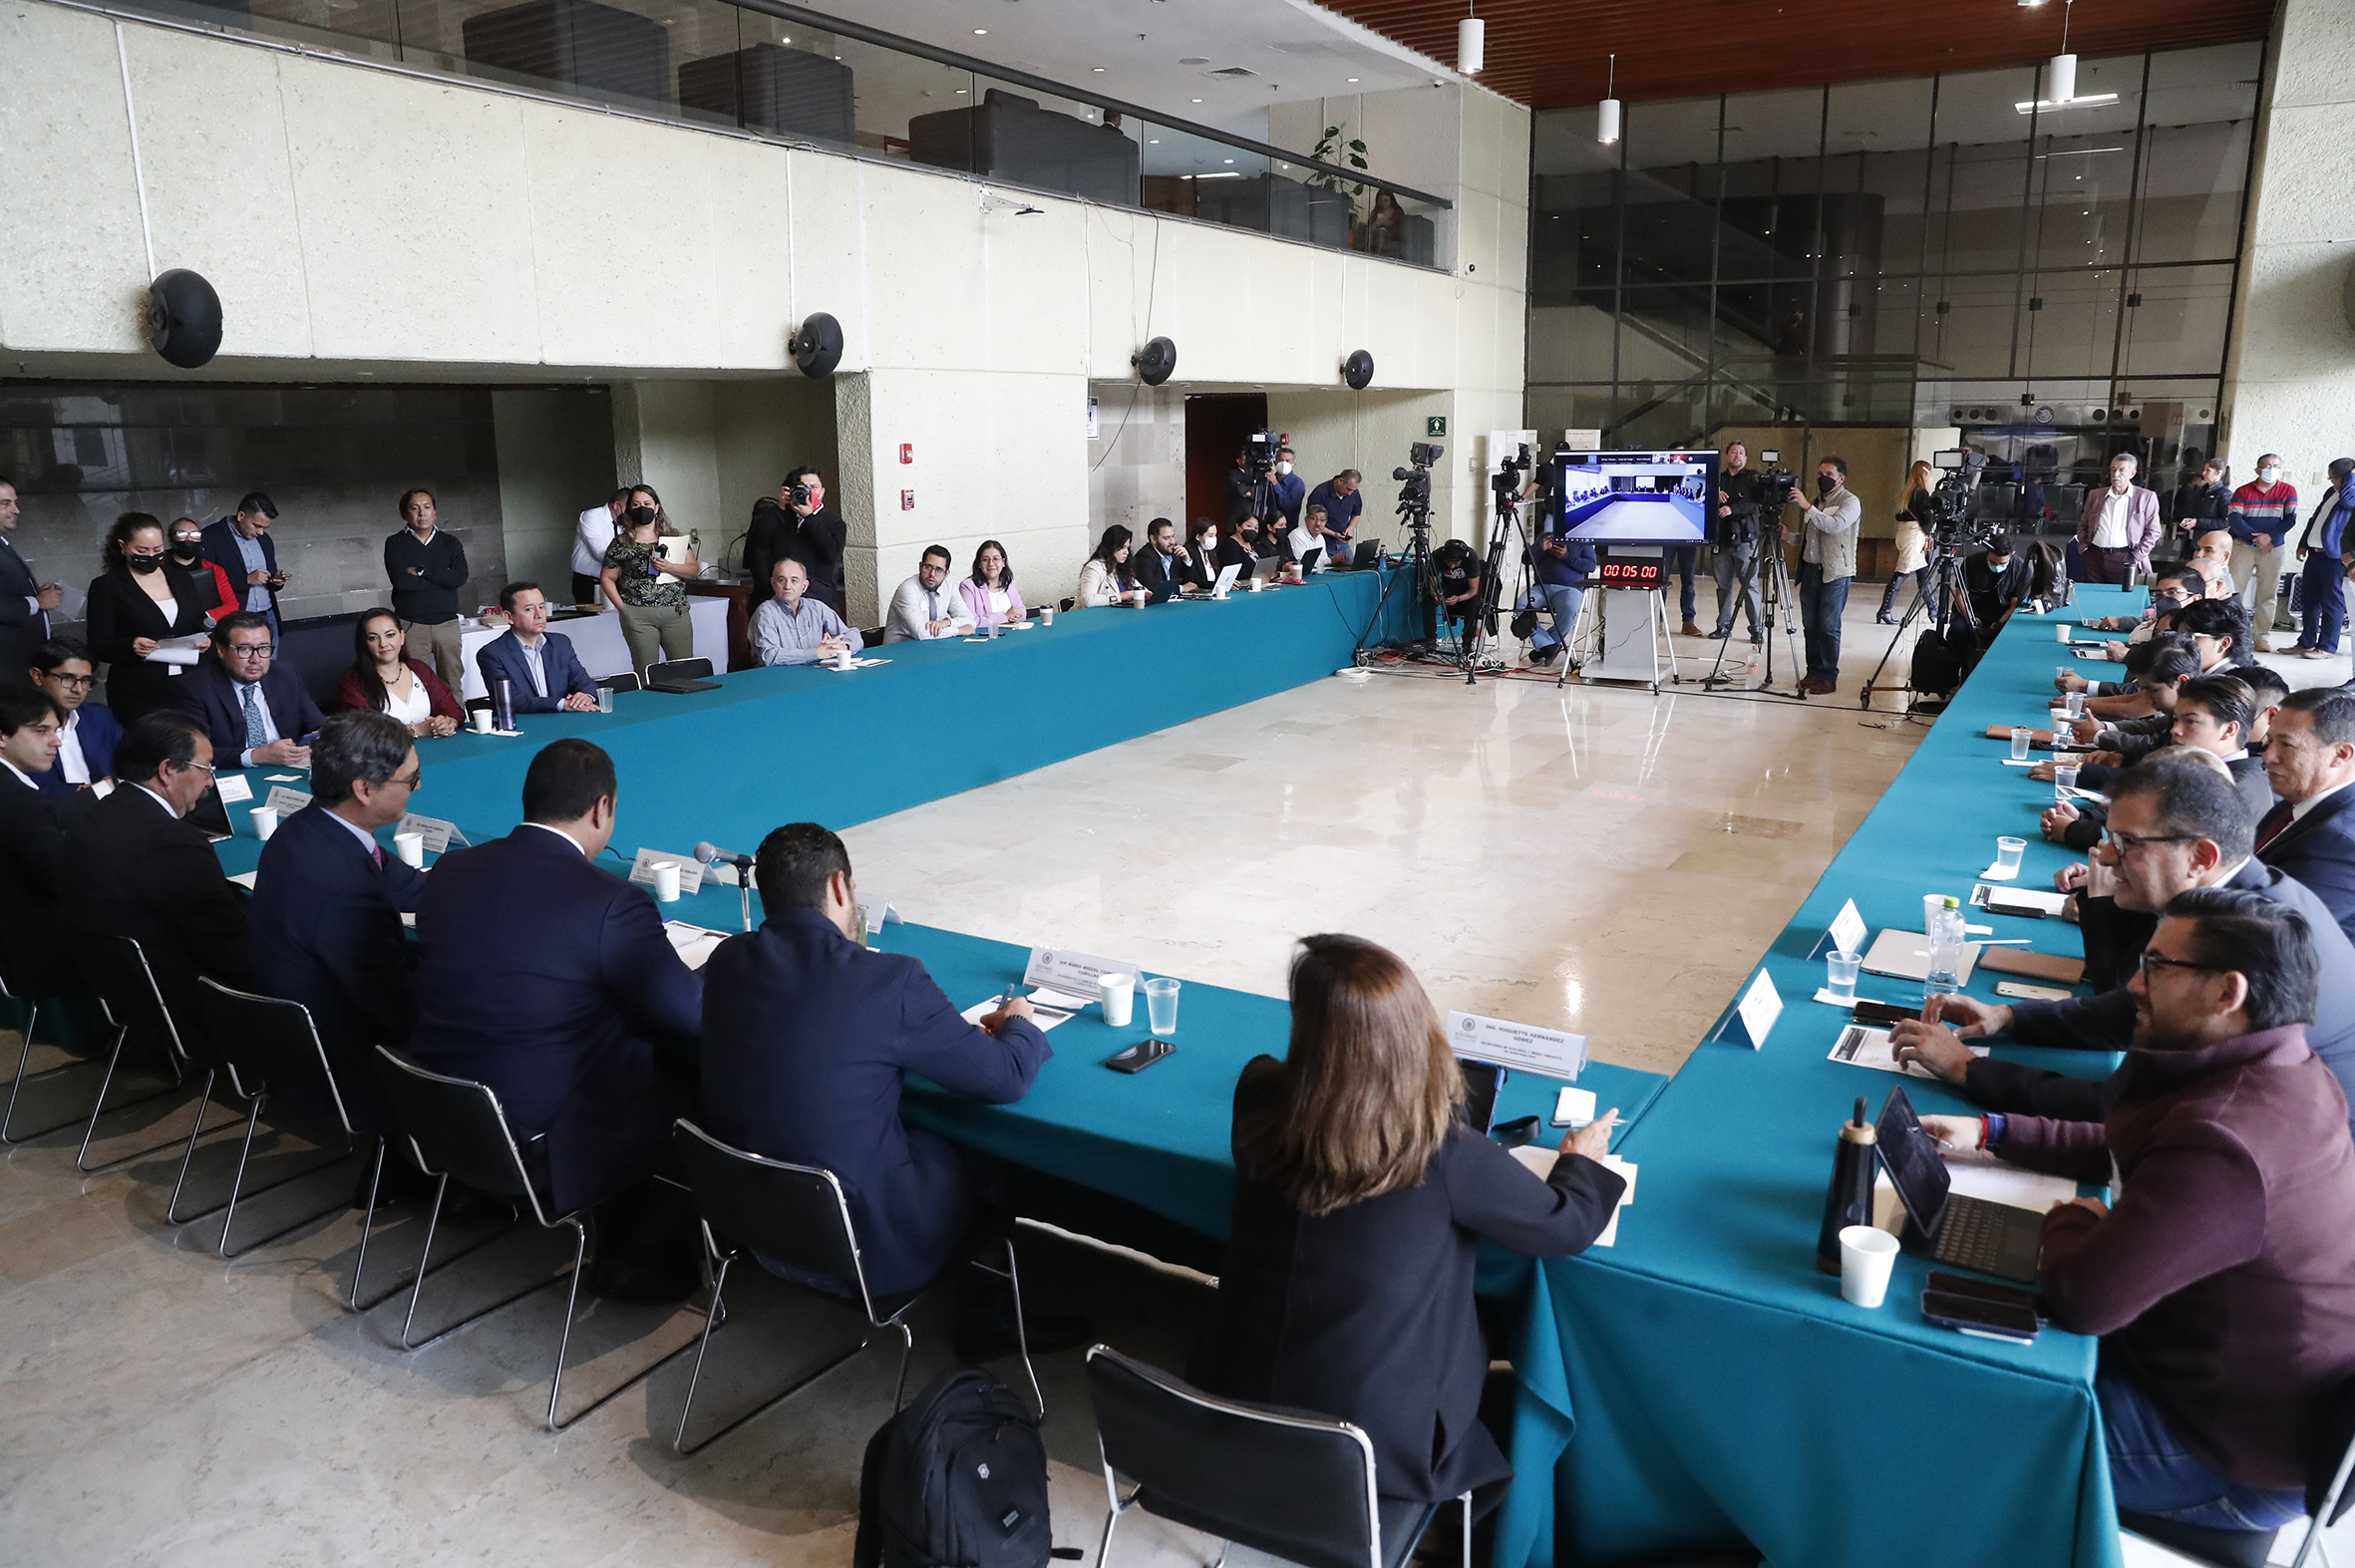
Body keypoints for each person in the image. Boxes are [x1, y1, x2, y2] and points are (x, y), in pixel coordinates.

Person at [1917, 889, 2355, 1541]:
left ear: (2227, 992)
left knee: (1941, 1416)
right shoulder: (2286, 1064)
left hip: (2216, 1450)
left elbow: (2083, 1298)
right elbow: (2148, 1152)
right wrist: (1995, 1131)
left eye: (2158, 967)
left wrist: (2072, 1218)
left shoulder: (2226, 1138)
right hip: (2232, 1394)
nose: (2134, 984)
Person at [1188, 935, 1625, 1525]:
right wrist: (1579, 1162)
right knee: (1487, 1318)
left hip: (1226, 1399)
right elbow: (1566, 1225)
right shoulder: (1441, 1150)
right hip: (1375, 1448)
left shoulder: (1258, 1093)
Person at [697, 822, 1071, 1355]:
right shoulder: (890, 981)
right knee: (977, 1145)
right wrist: (1020, 1023)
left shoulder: (728, 960)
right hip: (865, 1249)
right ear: (840, 886)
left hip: (752, 1227)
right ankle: (989, 1319)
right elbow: (1006, 1077)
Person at [1890, 753, 2355, 1138]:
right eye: (2111, 837)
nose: (2107, 856)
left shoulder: (2250, 945)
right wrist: (2007, 1017)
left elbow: (2119, 1109)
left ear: (2200, 857)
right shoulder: (2233, 898)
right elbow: (2135, 1005)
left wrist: (1966, 1069)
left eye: (2127, 842)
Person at [407, 739, 703, 1295]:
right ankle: (642, 1251)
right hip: (544, 1139)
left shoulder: (452, 869)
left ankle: (478, 1193)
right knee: (694, 1077)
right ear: (601, 808)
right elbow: (688, 1013)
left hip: (442, 1114)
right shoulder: (611, 902)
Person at [250, 711, 426, 1135]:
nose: (418, 788)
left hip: (289, 1039)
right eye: (411, 779)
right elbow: (395, 1006)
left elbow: (406, 883)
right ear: (364, 789)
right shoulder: (346, 888)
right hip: (344, 1064)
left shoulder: (307, 828)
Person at [59, 711, 253, 1032]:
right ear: (167, 771)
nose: (210, 781)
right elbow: (229, 947)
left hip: (121, 997)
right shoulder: (172, 842)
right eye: (206, 768)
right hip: (188, 1007)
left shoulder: (90, 820)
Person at [85, 512, 212, 725]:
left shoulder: (180, 578)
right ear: (123, 546)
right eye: (142, 551)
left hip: (190, 683)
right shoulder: (107, 586)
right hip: (140, 690)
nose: (151, 555)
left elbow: (199, 622)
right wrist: (131, 646)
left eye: (157, 549)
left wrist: (206, 640)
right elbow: (98, 645)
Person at [2257, 687, 2355, 938]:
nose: (2268, 756)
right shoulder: (2294, 802)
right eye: (2270, 741)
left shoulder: (2342, 842)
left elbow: (2275, 930)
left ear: (2340, 754)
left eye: (2286, 744)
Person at [173, 611, 326, 770]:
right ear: (222, 650)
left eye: (264, 648)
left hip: (291, 768)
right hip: (232, 773)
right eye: (245, 649)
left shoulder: (285, 674)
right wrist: (257, 755)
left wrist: (320, 735)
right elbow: (192, 752)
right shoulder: (195, 687)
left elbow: (317, 723)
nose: (256, 659)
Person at [0, 684, 77, 990]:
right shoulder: (16, 799)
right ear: (2, 736)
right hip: (33, 952)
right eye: (41, 731)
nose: (56, 741)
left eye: (55, 731)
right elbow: (63, 882)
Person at [599, 486, 698, 674]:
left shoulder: (673, 537)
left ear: (657, 507)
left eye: (647, 504)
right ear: (630, 508)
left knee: (684, 669)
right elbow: (607, 577)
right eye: (636, 504)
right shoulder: (621, 542)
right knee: (645, 670)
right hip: (638, 614)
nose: (642, 508)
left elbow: (693, 570)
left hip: (675, 612)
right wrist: (623, 608)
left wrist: (670, 567)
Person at [383, 488, 469, 697]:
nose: (422, 513)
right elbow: (401, 582)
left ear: (434, 512)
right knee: (414, 684)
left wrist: (423, 571)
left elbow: (459, 578)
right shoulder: (395, 543)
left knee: (452, 683)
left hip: (447, 625)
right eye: (415, 508)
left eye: (427, 507)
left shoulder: (450, 542)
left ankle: (454, 716)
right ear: (404, 513)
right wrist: (442, 578)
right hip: (412, 626)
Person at [1792, 455, 1860, 695]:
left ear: (1841, 478)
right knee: (1810, 625)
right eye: (1820, 474)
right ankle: (1813, 672)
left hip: (1835, 573)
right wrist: (1789, 537)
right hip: (1810, 570)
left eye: (1829, 475)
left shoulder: (1850, 501)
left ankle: (1829, 677)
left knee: (1828, 625)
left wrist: (1807, 508)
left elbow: (1834, 527)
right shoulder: (1815, 501)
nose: (1823, 478)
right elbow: (1811, 538)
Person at [477, 581, 599, 714]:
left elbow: (584, 681)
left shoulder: (560, 643)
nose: (539, 615)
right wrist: (561, 704)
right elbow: (508, 700)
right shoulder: (493, 654)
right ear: (509, 617)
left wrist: (585, 696)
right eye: (529, 609)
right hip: (524, 723)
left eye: (541, 607)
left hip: (563, 720)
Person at [337, 609, 461, 739]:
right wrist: (417, 730)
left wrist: (448, 722)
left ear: (402, 637)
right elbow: (361, 729)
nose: (383, 644)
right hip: (384, 751)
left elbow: (452, 708)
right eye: (373, 638)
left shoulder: (419, 669)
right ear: (364, 644)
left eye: (390, 635)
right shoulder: (353, 680)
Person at [747, 467, 846, 616]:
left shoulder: (834, 522)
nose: (808, 492)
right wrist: (779, 509)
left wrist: (809, 518)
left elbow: (832, 553)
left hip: (818, 602)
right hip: (776, 601)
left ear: (822, 492)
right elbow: (757, 545)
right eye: (803, 488)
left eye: (813, 487)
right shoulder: (779, 517)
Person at [28, 638, 119, 800]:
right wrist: (95, 790)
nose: (78, 689)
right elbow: (20, 790)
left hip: (107, 809)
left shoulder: (98, 717)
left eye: (85, 680)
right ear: (38, 676)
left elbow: (133, 763)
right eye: (68, 678)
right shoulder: (16, 723)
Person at [2227, 455, 2297, 651]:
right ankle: (2234, 634)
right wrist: (2255, 538)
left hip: (2273, 548)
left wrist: (2269, 537)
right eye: (2268, 466)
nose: (2272, 469)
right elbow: (2234, 518)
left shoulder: (2288, 490)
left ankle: (2261, 637)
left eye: (2276, 466)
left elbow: (2290, 519)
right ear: (2258, 470)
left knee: (2268, 593)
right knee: (2234, 591)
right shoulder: (2243, 491)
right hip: (2243, 546)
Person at [0, 475, 63, 685]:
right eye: (5, 503)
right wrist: (37, 602)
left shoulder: (3, 544)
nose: (16, 510)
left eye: (15, 503)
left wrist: (37, 595)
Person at [2291, 457, 2355, 661]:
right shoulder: (2331, 492)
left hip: (2334, 556)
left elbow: (2348, 502)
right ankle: (2306, 642)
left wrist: (2351, 478)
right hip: (2315, 553)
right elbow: (2315, 518)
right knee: (2309, 600)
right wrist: (2303, 543)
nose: (2332, 482)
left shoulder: (2350, 492)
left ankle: (2327, 646)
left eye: (2334, 478)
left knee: (2331, 602)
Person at [201, 492, 286, 636]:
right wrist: (245, 580)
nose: (261, 532)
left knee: (270, 652)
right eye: (257, 526)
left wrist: (276, 580)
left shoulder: (264, 539)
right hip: (235, 619)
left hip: (267, 615)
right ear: (241, 516)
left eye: (265, 528)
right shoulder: (210, 537)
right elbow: (205, 586)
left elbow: (270, 573)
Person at [751, 557, 863, 666]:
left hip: (814, 672)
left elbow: (854, 635)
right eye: (782, 580)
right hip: (779, 676)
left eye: (794, 580)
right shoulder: (765, 612)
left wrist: (844, 646)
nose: (787, 586)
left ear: (804, 586)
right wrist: (816, 653)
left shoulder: (817, 608)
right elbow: (768, 656)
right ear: (773, 583)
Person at [1707, 442, 1767, 641]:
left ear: (1746, 459)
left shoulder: (1753, 478)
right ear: (1726, 456)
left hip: (1744, 540)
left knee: (1749, 585)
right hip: (1721, 539)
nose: (1737, 455)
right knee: (1723, 586)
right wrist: (1714, 494)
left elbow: (1754, 501)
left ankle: (1756, 628)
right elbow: (1700, 496)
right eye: (1733, 452)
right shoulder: (1716, 479)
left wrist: (1732, 509)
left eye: (1741, 452)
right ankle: (1723, 626)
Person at [2076, 454, 2162, 586]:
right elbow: (2083, 524)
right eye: (2113, 469)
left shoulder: (2145, 497)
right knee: (2093, 594)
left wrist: (2137, 556)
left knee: (2122, 595)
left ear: (2132, 473)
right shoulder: (2095, 495)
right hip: (2094, 556)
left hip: (2126, 557)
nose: (2116, 474)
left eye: (2122, 470)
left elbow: (2154, 531)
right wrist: (2084, 548)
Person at [1522, 519, 1595, 669]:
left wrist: (1566, 556)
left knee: (1569, 609)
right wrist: (1541, 549)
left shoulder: (1582, 540)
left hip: (1571, 588)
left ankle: (1545, 646)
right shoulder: (1546, 537)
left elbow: (1591, 565)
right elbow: (1525, 560)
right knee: (1521, 605)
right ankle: (1548, 645)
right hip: (1542, 587)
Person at [1875, 461, 1934, 626]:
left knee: (1923, 572)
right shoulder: (1922, 493)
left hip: (1904, 533)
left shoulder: (1907, 491)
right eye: (1929, 473)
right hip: (1914, 537)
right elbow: (1927, 518)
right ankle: (1885, 610)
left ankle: (1933, 608)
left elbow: (1899, 515)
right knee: (1902, 571)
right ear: (1924, 474)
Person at [884, 546, 971, 642]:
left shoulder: (949, 586)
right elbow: (921, 633)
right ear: (920, 566)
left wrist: (947, 622)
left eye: (939, 570)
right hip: (900, 648)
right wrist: (959, 630)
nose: (932, 574)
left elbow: (970, 621)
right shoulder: (908, 589)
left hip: (931, 646)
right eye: (928, 567)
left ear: (946, 574)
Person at [1959, 533, 2034, 642]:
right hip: (1974, 608)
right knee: (1958, 629)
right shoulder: (1972, 561)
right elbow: (1959, 594)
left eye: (2002, 563)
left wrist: (1999, 623)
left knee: (2010, 633)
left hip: (2003, 611)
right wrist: (1970, 616)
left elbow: (2015, 604)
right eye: (1992, 562)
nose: (1997, 566)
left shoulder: (2023, 569)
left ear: (2012, 554)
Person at [166, 516, 236, 620]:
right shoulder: (159, 569)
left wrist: (205, 617)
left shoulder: (215, 570)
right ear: (171, 538)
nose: (189, 539)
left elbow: (232, 604)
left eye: (195, 535)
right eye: (182, 534)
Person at [571, 488, 628, 606]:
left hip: (616, 582)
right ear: (617, 505)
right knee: (591, 617)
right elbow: (601, 552)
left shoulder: (623, 524)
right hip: (589, 583)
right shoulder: (592, 517)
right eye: (629, 508)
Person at [958, 539, 1028, 627]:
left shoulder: (1008, 583)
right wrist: (1005, 616)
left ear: (1003, 563)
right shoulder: (968, 586)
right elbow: (970, 621)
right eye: (985, 560)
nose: (991, 564)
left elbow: (1022, 612)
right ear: (979, 564)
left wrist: (1017, 615)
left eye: (996, 559)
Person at [1428, 536, 1482, 645]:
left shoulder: (1471, 558)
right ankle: (1430, 639)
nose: (1452, 567)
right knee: (1428, 600)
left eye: (1456, 564)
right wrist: (1435, 595)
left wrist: (1459, 598)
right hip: (1447, 586)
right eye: (1449, 563)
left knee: (1474, 603)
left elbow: (1473, 590)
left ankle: (1467, 641)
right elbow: (1432, 584)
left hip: (1466, 588)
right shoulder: (1437, 556)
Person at [1303, 471, 1364, 566]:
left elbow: (1356, 514)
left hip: (1342, 541)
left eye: (1353, 490)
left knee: (1351, 568)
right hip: (1323, 540)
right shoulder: (1320, 492)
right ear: (1341, 481)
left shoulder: (1353, 493)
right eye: (1348, 489)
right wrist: (1334, 534)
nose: (1350, 493)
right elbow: (1314, 522)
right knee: (1324, 568)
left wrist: (1350, 528)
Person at [2168, 459, 2232, 546]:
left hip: (2212, 542)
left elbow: (2226, 521)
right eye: (2204, 470)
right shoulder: (2202, 491)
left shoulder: (2224, 494)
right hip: (2195, 539)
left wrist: (2198, 522)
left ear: (2218, 473)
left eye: (2208, 470)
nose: (2203, 473)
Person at [1077, 525, 1137, 607]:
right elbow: (1088, 600)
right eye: (1122, 547)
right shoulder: (1094, 568)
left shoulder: (1121, 567)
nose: (1126, 552)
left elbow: (1138, 587)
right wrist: (1121, 596)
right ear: (1112, 547)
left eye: (1127, 548)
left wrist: (1145, 593)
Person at [1268, 447, 1305, 532]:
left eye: (1288, 461)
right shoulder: (1269, 480)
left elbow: (1289, 507)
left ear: (1293, 464)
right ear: (1275, 462)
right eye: (1281, 460)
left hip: (1287, 528)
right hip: (1268, 526)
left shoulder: (1297, 483)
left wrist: (1276, 484)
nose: (1284, 464)